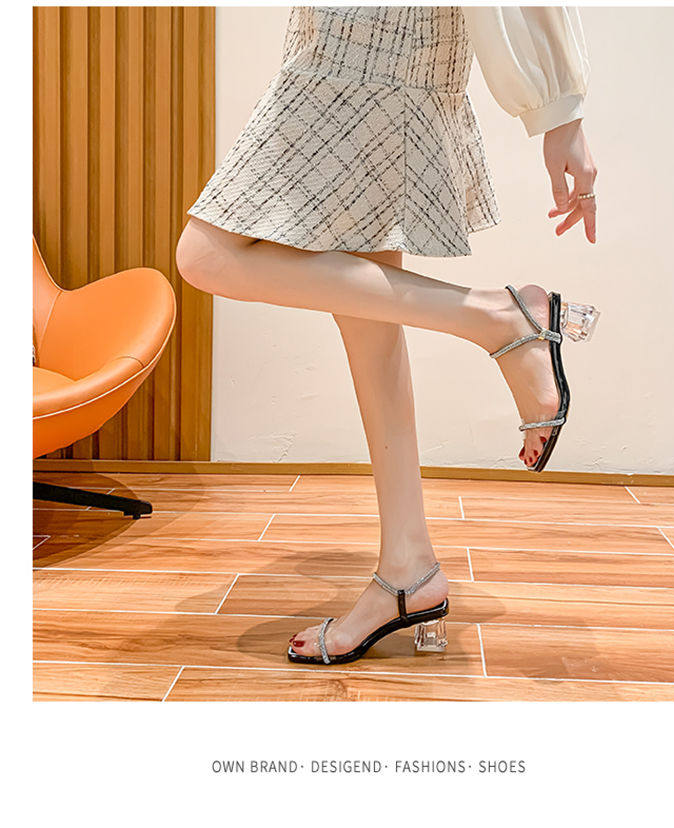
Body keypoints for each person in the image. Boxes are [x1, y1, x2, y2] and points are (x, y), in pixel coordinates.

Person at [176, 6, 599, 665]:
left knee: (206, 256)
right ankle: (408, 568)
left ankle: (500, 319)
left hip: (369, 42)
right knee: (368, 323)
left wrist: (560, 110)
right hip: (367, 45)